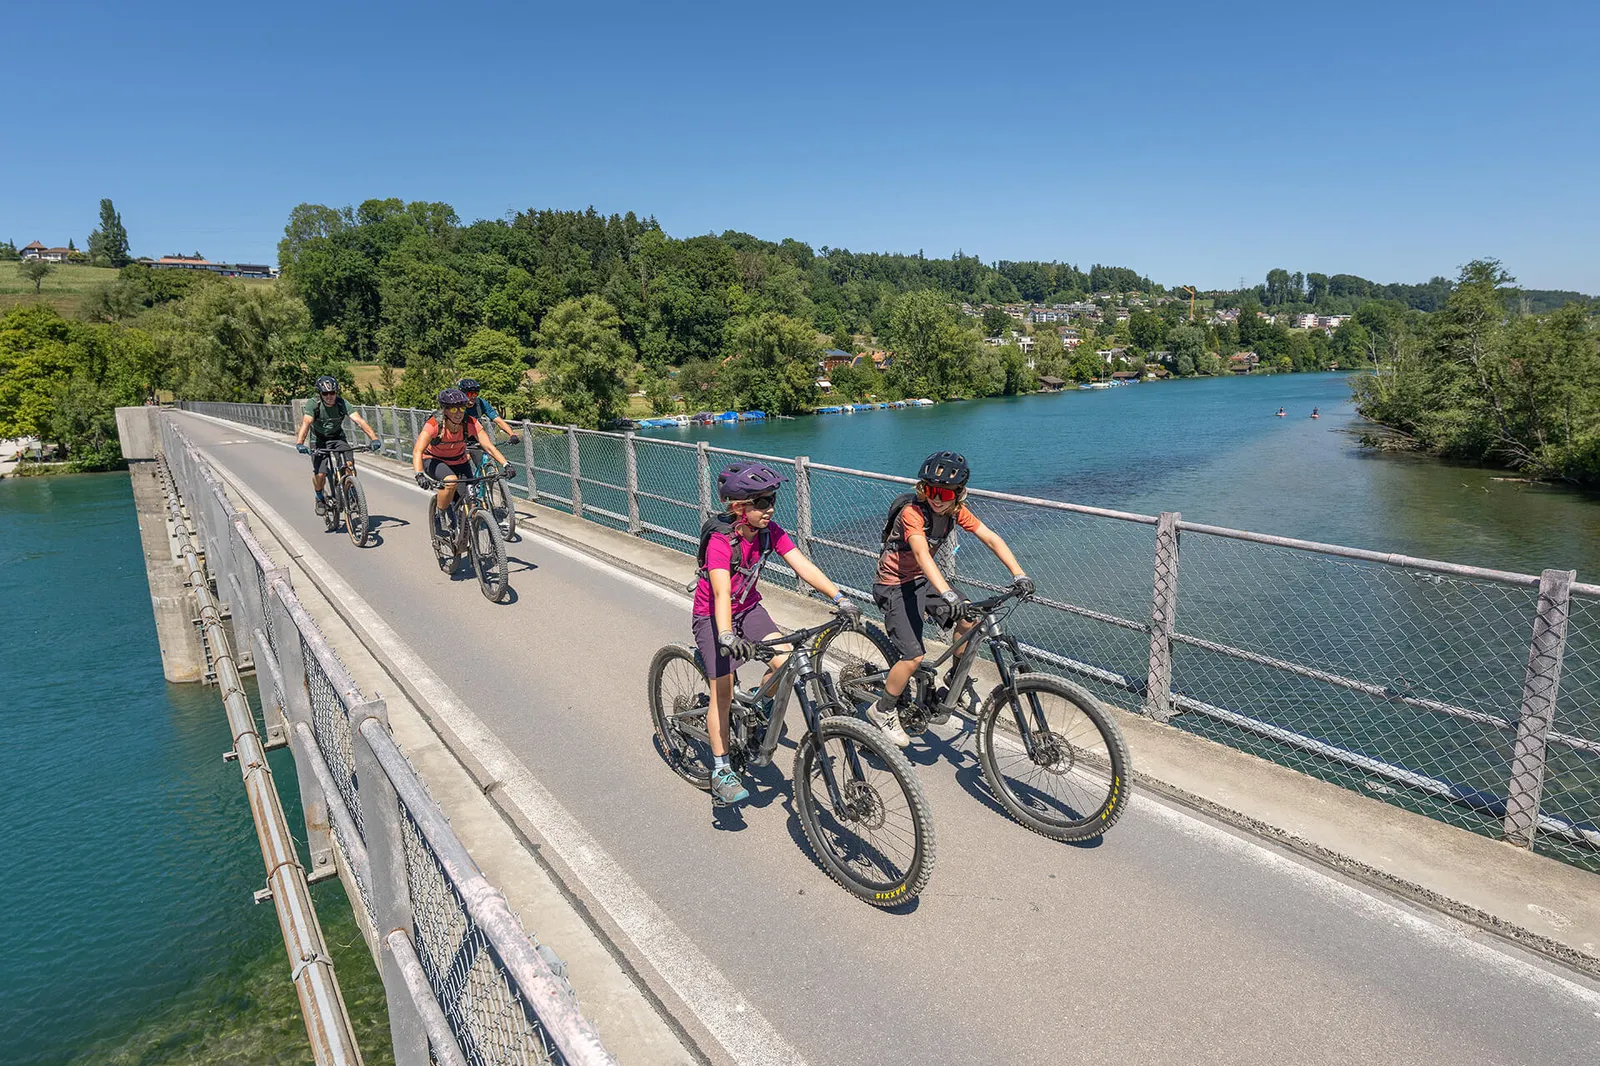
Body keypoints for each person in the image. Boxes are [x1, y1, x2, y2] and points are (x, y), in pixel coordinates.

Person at [693, 461, 861, 805]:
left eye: (772, 500)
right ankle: (721, 769)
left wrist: (840, 598)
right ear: (738, 507)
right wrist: (726, 635)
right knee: (722, 691)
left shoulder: (770, 531)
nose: (769, 508)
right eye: (761, 502)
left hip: (749, 609)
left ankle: (761, 704)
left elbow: (802, 564)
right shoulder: (720, 542)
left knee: (784, 660)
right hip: (714, 617)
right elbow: (722, 593)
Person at [869, 451, 1032, 747]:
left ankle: (956, 681)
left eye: (945, 493)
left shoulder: (956, 512)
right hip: (893, 585)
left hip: (922, 579)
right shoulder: (912, 513)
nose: (937, 498)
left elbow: (992, 538)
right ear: (923, 489)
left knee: (969, 622)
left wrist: (1019, 574)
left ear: (958, 494)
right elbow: (920, 552)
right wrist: (945, 591)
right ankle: (882, 709)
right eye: (931, 490)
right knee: (913, 656)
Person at [411, 388, 516, 538]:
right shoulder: (435, 424)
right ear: (445, 410)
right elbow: (417, 451)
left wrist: (506, 464)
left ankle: (469, 539)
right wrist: (419, 474)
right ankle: (440, 517)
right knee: (451, 481)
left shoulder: (470, 422)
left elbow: (488, 446)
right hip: (434, 460)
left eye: (462, 408)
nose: (459, 412)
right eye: (453, 409)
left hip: (459, 461)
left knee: (472, 501)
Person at [294, 376, 382, 515]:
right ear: (320, 394)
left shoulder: (342, 403)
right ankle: (319, 497)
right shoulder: (314, 404)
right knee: (321, 474)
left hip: (337, 437)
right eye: (325, 394)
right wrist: (300, 443)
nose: (329, 396)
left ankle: (352, 491)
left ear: (336, 392)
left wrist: (374, 438)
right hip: (319, 440)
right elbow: (306, 424)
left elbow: (359, 421)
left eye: (332, 393)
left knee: (348, 465)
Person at [457, 378, 523, 444]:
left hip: (475, 439)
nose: (473, 397)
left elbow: (498, 420)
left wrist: (512, 434)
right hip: (456, 439)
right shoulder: (455, 405)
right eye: (469, 394)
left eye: (475, 394)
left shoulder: (480, 404)